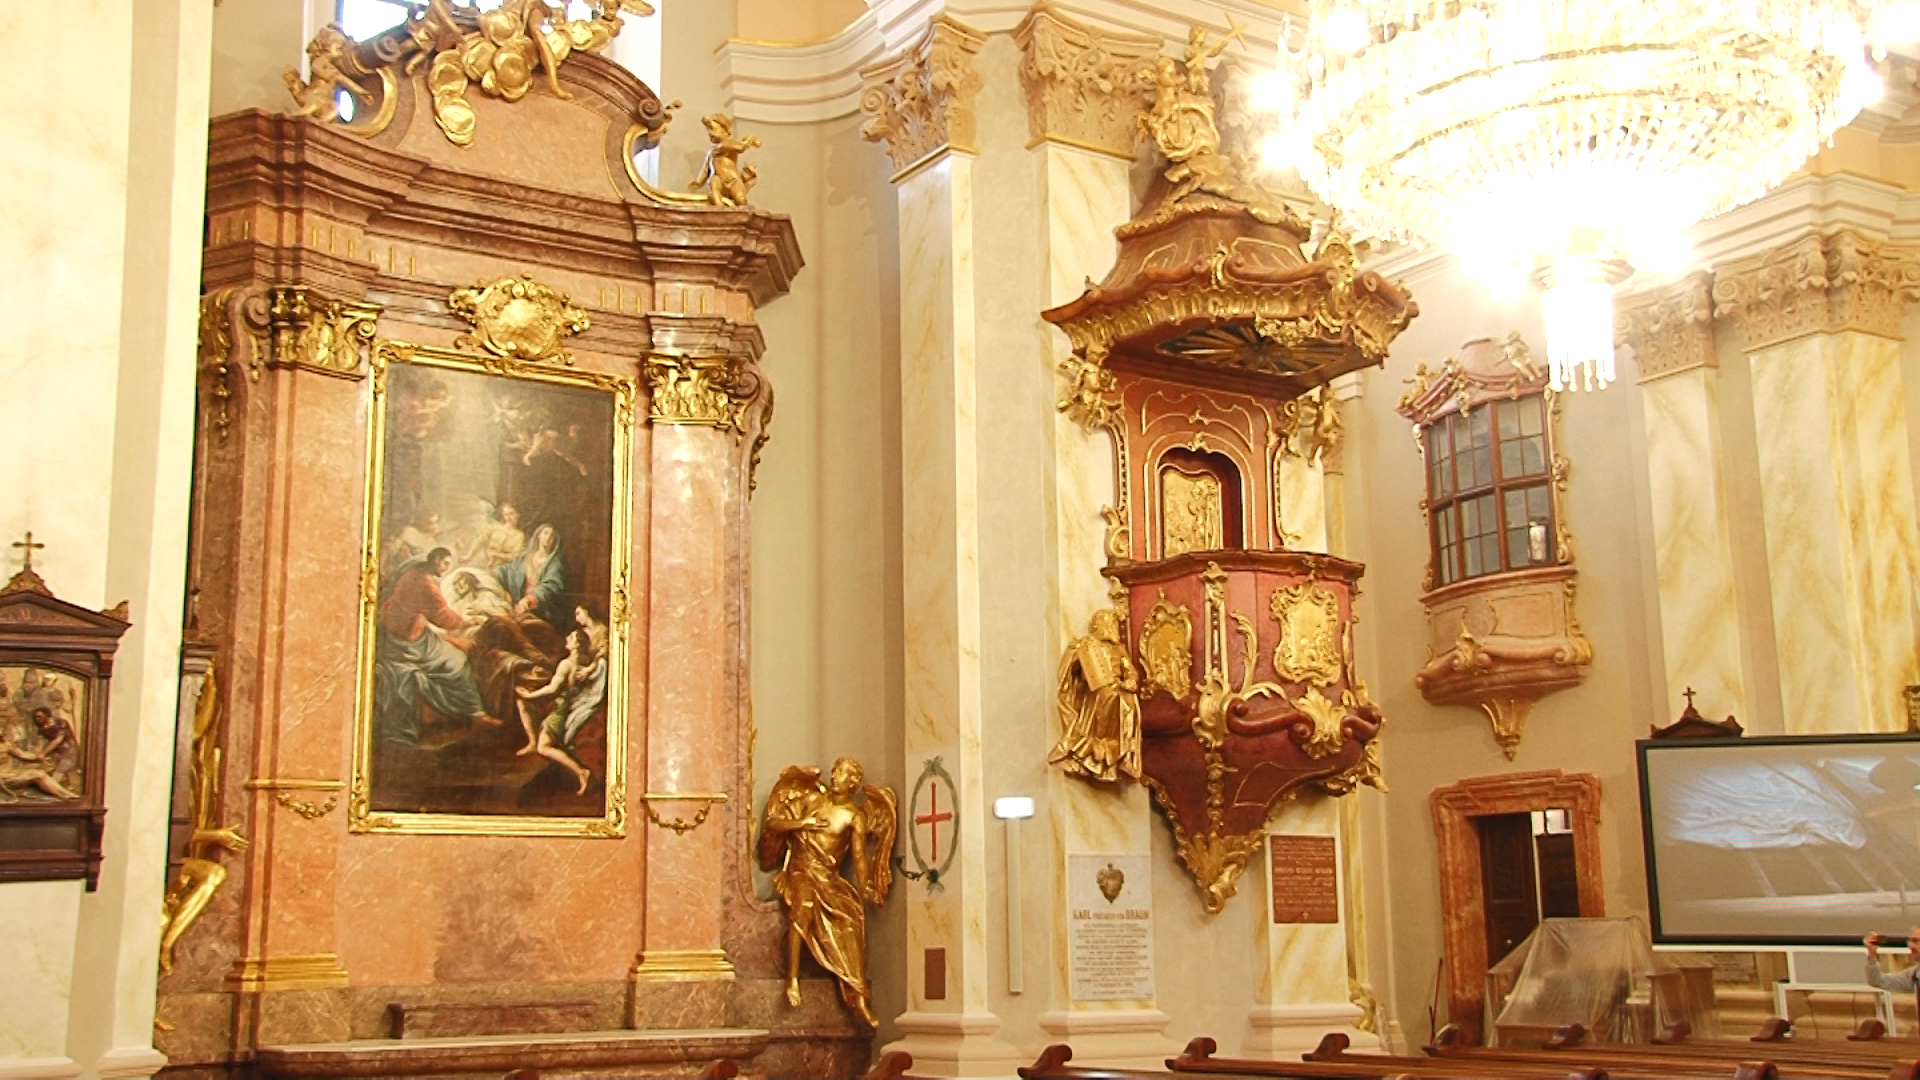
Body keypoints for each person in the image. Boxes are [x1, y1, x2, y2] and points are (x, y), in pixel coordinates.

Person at [374, 547, 498, 743]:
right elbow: (442, 616)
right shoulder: (426, 585)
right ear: (436, 560)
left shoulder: (412, 569)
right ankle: (475, 713)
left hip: (393, 626)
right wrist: (466, 622)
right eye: (445, 564)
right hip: (409, 639)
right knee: (457, 661)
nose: (446, 568)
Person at [513, 629, 604, 793]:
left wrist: (530, 695)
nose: (567, 638)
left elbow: (553, 688)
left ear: (577, 644)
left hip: (559, 709)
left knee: (543, 747)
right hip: (570, 704)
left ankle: (582, 772)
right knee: (524, 703)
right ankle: (532, 741)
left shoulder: (566, 664)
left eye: (571, 637)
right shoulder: (587, 663)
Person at [498, 524, 565, 626]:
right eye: (546, 533)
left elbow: (550, 586)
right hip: (517, 606)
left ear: (554, 540)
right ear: (539, 535)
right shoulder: (526, 557)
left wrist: (530, 599)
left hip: (540, 611)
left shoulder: (554, 564)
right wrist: (493, 573)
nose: (548, 538)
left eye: (552, 536)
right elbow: (508, 570)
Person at [1864, 928, 1920, 993]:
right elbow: (1878, 981)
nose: (1911, 946)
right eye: (1910, 941)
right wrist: (1872, 955)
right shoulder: (1914, 975)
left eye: (1915, 941)